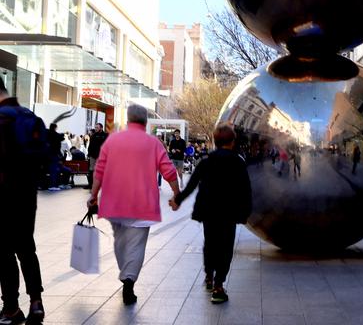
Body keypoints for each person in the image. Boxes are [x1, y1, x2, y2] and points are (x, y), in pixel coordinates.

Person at [87, 104, 179, 306]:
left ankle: (126, 274)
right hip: (142, 205)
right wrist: (176, 193)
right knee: (136, 246)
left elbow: (99, 171)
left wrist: (93, 195)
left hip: (114, 203)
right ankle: (129, 280)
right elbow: (169, 170)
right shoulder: (153, 143)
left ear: (128, 120)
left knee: (120, 242)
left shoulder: (113, 140)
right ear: (145, 122)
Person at [169, 123, 252, 305]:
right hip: (228, 212)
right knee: (225, 248)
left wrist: (178, 200)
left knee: (211, 243)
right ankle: (218, 286)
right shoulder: (238, 162)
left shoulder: (206, 160)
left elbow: (192, 184)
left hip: (208, 211)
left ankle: (208, 275)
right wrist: (246, 212)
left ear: (215, 140)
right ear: (232, 141)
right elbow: (246, 190)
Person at [0, 78, 48, 324]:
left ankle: (10, 308)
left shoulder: (2, 118)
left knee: (4, 252)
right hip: (27, 195)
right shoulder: (29, 116)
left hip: (3, 195)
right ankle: (36, 303)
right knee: (26, 248)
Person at [86, 123, 108, 190]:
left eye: (97, 127)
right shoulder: (93, 135)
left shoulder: (106, 135)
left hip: (101, 156)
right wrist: (89, 154)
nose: (96, 129)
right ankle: (91, 185)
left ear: (101, 128)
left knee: (102, 171)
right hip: (93, 156)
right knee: (91, 170)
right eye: (95, 127)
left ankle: (103, 185)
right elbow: (90, 146)